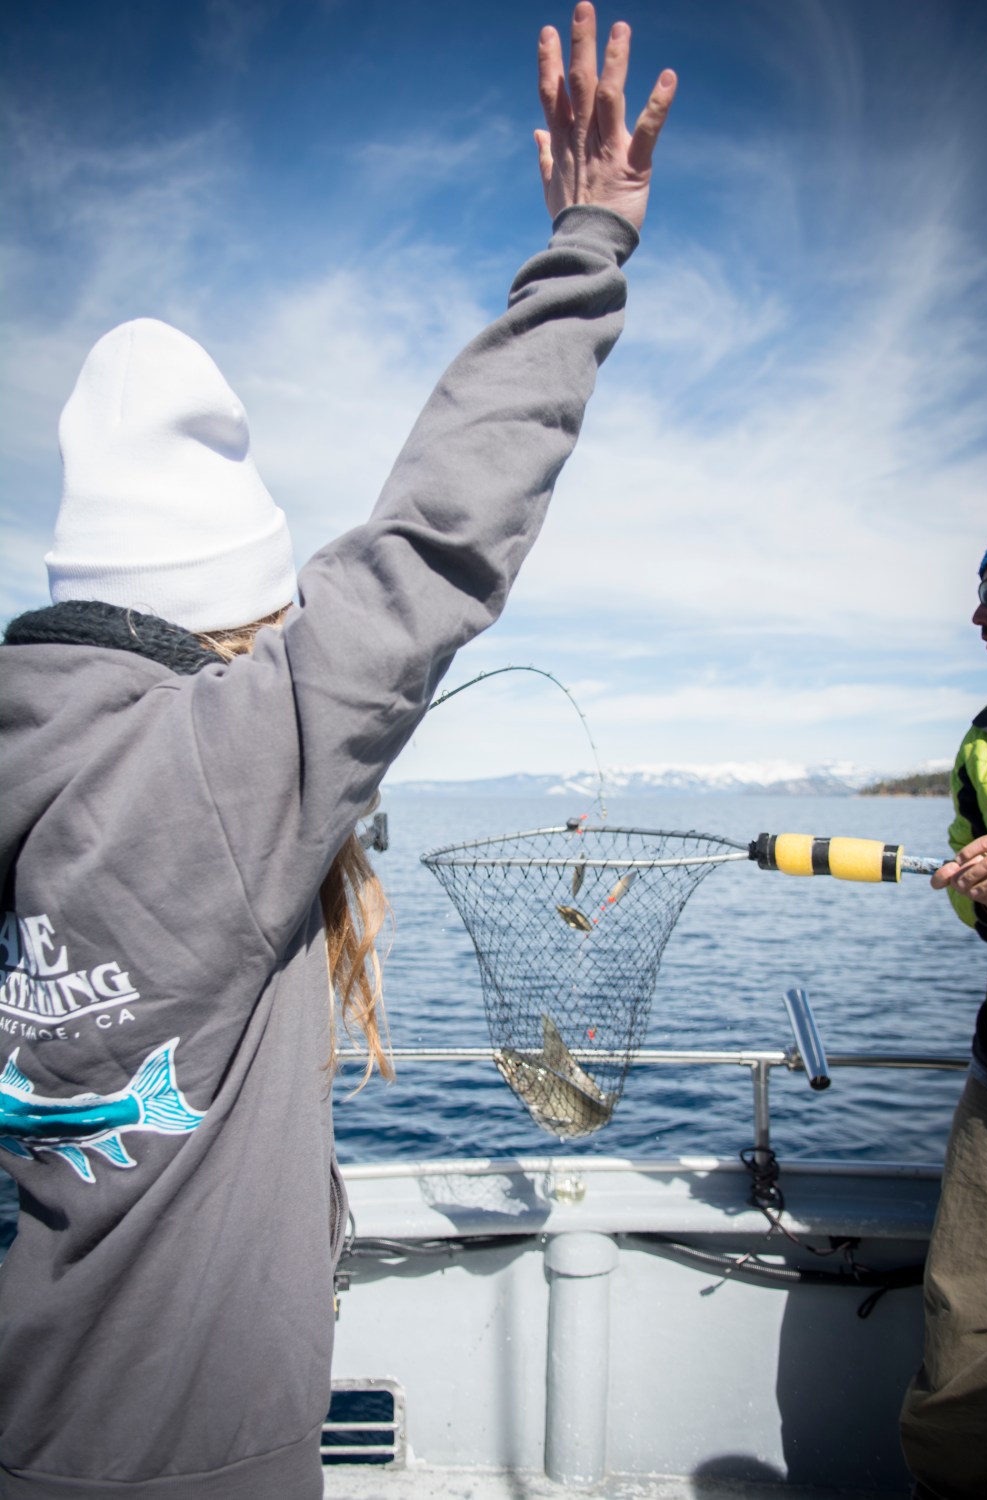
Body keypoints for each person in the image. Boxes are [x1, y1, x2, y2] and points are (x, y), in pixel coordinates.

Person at [0, 7, 676, 1497]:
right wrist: (586, 243)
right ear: (234, 622)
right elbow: (432, 546)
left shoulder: (37, 770)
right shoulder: (211, 782)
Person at [899, 537, 987, 1500]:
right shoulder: (981, 741)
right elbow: (972, 904)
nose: (978, 617)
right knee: (962, 1332)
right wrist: (983, 894)